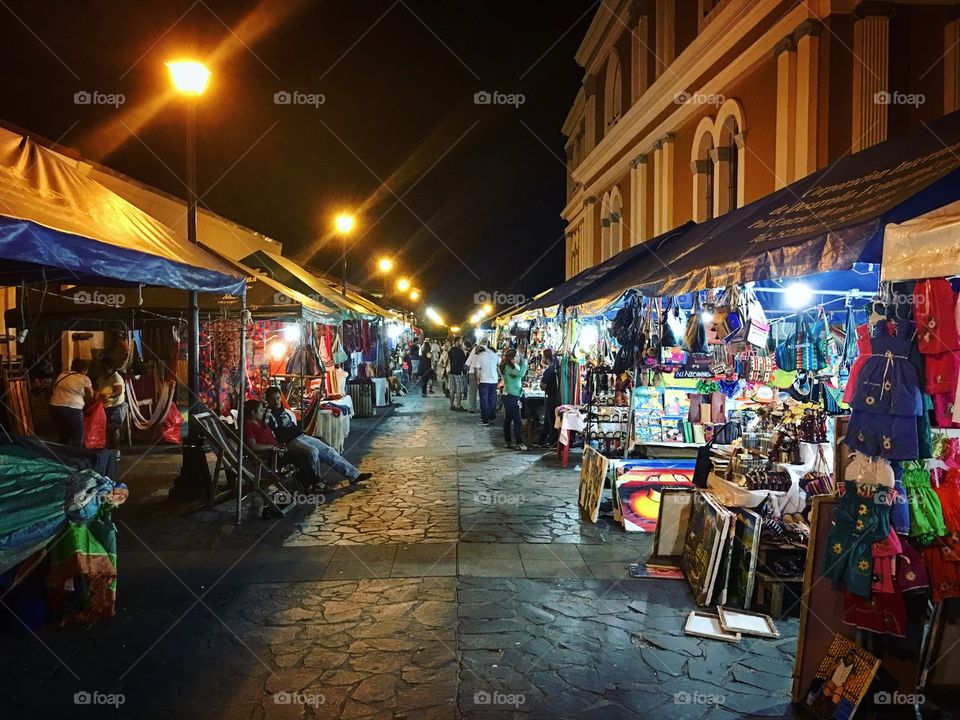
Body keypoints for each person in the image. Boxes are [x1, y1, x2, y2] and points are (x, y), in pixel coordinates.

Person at [263, 387, 372, 485]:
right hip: (290, 441)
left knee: (328, 450)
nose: (276, 401)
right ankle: (316, 481)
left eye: (278, 398)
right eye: (273, 399)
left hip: (301, 436)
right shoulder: (269, 414)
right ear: (268, 400)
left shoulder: (282, 409)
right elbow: (267, 431)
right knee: (313, 451)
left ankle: (354, 475)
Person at [49, 358, 94, 447]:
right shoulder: (84, 378)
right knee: (78, 436)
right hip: (72, 410)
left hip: (54, 408)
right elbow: (91, 395)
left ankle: (62, 456)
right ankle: (76, 458)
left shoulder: (62, 375)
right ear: (84, 370)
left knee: (63, 434)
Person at [500, 346, 529, 450]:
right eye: (516, 356)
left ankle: (508, 441)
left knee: (508, 419)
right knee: (517, 420)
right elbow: (521, 373)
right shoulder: (508, 367)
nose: (518, 357)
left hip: (513, 395)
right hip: (511, 396)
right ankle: (519, 443)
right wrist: (525, 363)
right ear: (512, 358)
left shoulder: (513, 365)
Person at [96, 358, 126, 452]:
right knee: (105, 430)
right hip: (104, 407)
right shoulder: (102, 377)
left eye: (105, 368)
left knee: (113, 429)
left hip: (115, 406)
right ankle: (108, 450)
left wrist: (110, 395)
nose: (103, 370)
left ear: (111, 368)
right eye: (102, 368)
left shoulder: (116, 377)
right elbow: (97, 387)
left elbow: (119, 390)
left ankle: (116, 451)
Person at [471, 339, 500, 426]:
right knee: (492, 399)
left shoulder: (479, 356)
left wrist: (477, 380)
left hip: (484, 381)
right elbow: (500, 365)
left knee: (484, 400)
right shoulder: (494, 355)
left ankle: (485, 420)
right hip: (494, 380)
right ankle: (491, 416)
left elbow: (476, 370)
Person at [537, 348, 559, 448]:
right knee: (548, 420)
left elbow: (543, 386)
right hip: (556, 397)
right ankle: (542, 440)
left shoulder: (549, 370)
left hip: (551, 398)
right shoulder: (555, 368)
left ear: (546, 358)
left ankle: (552, 442)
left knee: (551, 420)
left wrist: (541, 383)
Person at [447, 337, 467, 410]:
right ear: (456, 342)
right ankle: (458, 405)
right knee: (459, 389)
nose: (461, 343)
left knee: (452, 389)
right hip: (458, 373)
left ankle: (452, 405)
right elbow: (464, 362)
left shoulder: (450, 350)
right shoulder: (461, 351)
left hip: (451, 372)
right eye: (460, 341)